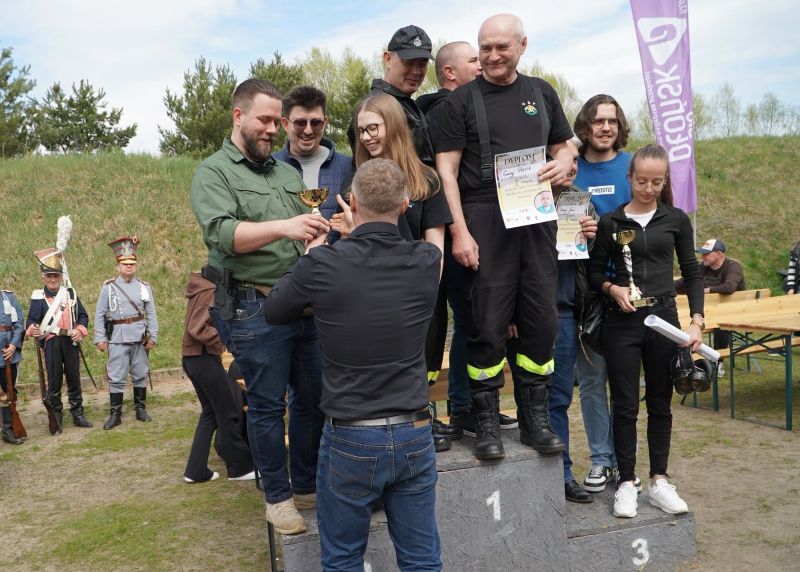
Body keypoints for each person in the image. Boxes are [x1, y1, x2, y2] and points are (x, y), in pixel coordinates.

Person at [264, 158, 442, 571]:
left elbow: (276, 308)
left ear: (352, 202)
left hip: (351, 437)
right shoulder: (426, 260)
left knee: (343, 559)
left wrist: (320, 247)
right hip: (414, 430)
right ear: (403, 204)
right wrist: (357, 232)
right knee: (421, 559)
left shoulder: (323, 263)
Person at [190, 78, 328, 535]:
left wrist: (318, 232)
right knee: (268, 406)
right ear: (238, 116)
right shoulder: (214, 172)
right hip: (252, 306)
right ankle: (278, 498)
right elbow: (223, 235)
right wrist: (288, 226)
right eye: (266, 120)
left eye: (278, 121)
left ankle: (305, 484)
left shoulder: (288, 174)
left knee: (313, 400)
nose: (274, 129)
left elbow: (301, 230)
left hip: (302, 303)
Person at [436, 13, 574, 460]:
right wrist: (459, 231)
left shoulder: (542, 93)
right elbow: (447, 172)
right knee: (486, 325)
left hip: (536, 218)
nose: (493, 56)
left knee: (541, 322)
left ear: (522, 45)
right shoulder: (459, 103)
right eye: (485, 49)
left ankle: (535, 422)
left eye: (502, 47)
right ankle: (487, 424)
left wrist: (566, 162)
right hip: (483, 219)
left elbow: (565, 145)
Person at [589, 144, 703, 519]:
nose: (649, 188)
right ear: (629, 178)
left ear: (665, 180)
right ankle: (625, 482)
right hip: (621, 324)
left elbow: (692, 271)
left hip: (664, 323)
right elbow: (593, 274)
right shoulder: (611, 222)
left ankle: (659, 480)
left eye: (657, 182)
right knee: (623, 405)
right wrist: (613, 288)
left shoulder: (676, 220)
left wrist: (697, 320)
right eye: (642, 181)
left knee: (660, 403)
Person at [335, 93, 454, 450]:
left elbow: (435, 248)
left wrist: (423, 293)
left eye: (374, 128)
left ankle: (423, 418)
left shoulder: (427, 181)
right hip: (369, 299)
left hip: (418, 297)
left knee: (422, 365)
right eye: (361, 132)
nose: (368, 137)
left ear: (395, 127)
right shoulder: (353, 186)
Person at [419, 42, 518, 439]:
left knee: (453, 323)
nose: (482, 66)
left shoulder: (430, 110)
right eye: (474, 60)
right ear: (450, 73)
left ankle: (455, 408)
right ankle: (460, 409)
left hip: (437, 231)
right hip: (452, 231)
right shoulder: (453, 108)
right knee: (467, 321)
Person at [572, 94, 632, 493]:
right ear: (586, 127)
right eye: (598, 121)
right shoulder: (570, 169)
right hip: (585, 293)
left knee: (627, 388)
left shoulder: (634, 166)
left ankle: (627, 466)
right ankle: (600, 460)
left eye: (611, 121)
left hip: (629, 292)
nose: (605, 127)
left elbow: (658, 220)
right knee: (592, 385)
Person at [182, 271, 255, 484]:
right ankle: (239, 468)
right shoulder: (210, 291)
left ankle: (195, 470)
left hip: (195, 358)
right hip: (203, 358)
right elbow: (197, 328)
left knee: (211, 414)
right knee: (229, 410)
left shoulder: (203, 288)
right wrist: (227, 337)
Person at [94, 236, 158, 429]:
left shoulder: (144, 287)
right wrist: (100, 337)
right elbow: (99, 313)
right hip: (118, 336)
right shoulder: (108, 287)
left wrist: (153, 335)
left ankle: (140, 409)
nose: (128, 267)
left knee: (140, 373)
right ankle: (116, 414)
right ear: (118, 266)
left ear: (135, 265)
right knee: (117, 375)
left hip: (139, 336)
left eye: (132, 263)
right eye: (124, 263)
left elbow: (151, 313)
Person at [349, 25, 436, 166]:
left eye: (422, 63)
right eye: (409, 62)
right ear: (388, 59)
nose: (416, 71)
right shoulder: (372, 108)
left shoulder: (406, 103)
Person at [26, 248, 92, 432]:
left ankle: (78, 413)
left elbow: (83, 316)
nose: (53, 279)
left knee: (74, 378)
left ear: (61, 277)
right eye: (49, 276)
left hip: (70, 341)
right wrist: (32, 328)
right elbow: (31, 320)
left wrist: (80, 329)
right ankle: (56, 415)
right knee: (54, 381)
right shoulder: (37, 297)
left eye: (56, 275)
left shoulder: (70, 294)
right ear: (43, 278)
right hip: (51, 343)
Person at [273, 85, 354, 222]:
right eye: (300, 123)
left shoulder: (349, 167)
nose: (308, 130)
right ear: (285, 124)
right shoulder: (268, 167)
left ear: (325, 123)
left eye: (316, 123)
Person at [676, 238, 746, 350]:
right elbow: (684, 283)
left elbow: (729, 287)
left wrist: (705, 290)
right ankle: (690, 358)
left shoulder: (733, 266)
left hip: (732, 312)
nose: (702, 256)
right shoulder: (703, 266)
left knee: (720, 326)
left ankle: (718, 362)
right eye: (702, 253)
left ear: (718, 254)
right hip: (709, 311)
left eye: (706, 254)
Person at [1, 288, 25, 445]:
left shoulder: (8, 297)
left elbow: (19, 324)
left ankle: (8, 429)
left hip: (7, 354)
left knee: (8, 393)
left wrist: (14, 345)